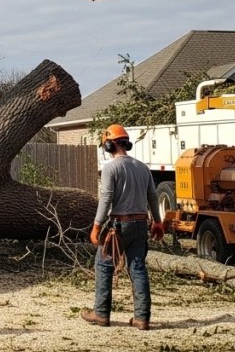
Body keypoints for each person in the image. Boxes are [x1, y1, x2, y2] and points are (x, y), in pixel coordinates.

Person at [80, 124, 165, 331]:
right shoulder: (142, 167)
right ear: (126, 143)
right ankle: (142, 318)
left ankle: (101, 313)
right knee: (137, 267)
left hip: (119, 224)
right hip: (140, 224)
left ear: (109, 145)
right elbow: (153, 196)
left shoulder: (111, 168)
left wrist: (96, 226)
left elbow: (107, 198)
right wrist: (158, 221)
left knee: (103, 264)